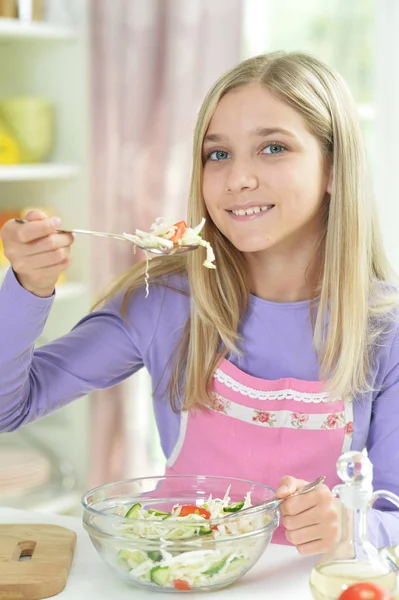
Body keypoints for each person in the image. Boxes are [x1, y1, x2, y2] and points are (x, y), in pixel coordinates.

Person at [1, 51, 399, 555]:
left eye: (273, 148)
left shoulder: (384, 328)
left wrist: (347, 527)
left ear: (333, 169)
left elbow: (393, 515)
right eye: (218, 154)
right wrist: (26, 286)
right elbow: (8, 407)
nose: (237, 179)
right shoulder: (162, 300)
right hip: (176, 574)